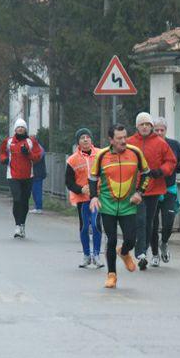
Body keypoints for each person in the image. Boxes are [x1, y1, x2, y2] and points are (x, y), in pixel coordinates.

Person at [89, 123, 151, 288]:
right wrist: (94, 197)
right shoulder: (102, 156)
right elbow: (93, 178)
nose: (124, 141)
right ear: (111, 140)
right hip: (107, 204)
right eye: (119, 138)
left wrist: (139, 193)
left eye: (125, 137)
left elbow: (146, 174)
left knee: (131, 239)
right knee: (111, 240)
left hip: (128, 204)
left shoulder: (135, 153)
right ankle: (112, 275)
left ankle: (124, 252)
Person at [127, 112, 177, 270]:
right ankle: (140, 252)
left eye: (147, 124)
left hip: (154, 188)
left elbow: (171, 161)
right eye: (142, 124)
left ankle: (145, 250)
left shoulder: (160, 143)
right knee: (140, 220)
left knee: (149, 222)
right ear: (137, 126)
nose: (145, 127)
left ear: (151, 127)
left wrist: (161, 171)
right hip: (135, 190)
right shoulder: (129, 142)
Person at [150, 117, 180, 263]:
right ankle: (154, 254)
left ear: (166, 131)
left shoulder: (174, 145)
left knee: (168, 221)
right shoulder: (149, 145)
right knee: (153, 225)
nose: (159, 132)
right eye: (156, 130)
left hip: (169, 189)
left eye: (162, 130)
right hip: (152, 189)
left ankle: (164, 243)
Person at [0, 118, 43, 238]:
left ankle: (22, 224)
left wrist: (28, 154)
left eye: (22, 127)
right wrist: (4, 159)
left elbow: (38, 156)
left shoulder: (31, 141)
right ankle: (17, 226)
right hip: (13, 175)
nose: (20, 129)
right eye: (18, 127)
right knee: (17, 199)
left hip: (28, 175)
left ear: (25, 129)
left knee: (24, 201)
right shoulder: (8, 141)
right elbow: (2, 152)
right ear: (15, 129)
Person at [66, 128, 103, 269]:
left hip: (96, 197)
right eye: (82, 138)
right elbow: (68, 182)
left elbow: (106, 173)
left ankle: (97, 255)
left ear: (91, 140)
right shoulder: (72, 160)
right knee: (84, 226)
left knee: (95, 224)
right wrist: (80, 189)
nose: (86, 140)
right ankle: (86, 255)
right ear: (78, 142)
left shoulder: (100, 154)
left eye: (88, 137)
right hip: (81, 198)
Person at [29, 140, 47, 214]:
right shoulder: (38, 148)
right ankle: (37, 207)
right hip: (36, 173)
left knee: (37, 190)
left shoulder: (39, 150)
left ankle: (39, 207)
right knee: (35, 190)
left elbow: (35, 160)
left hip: (38, 173)